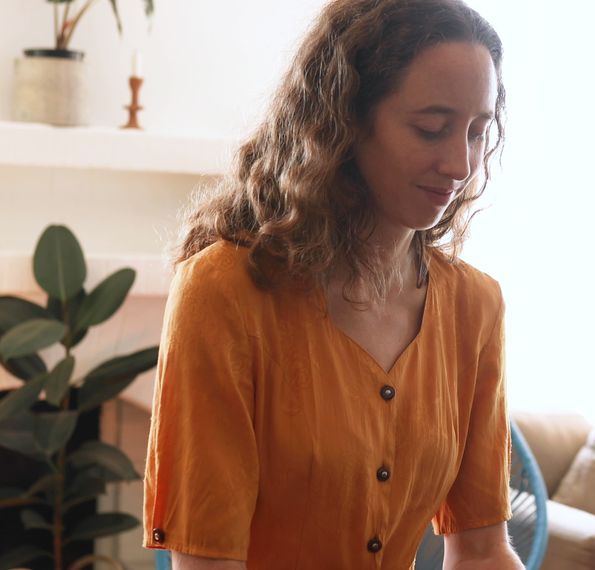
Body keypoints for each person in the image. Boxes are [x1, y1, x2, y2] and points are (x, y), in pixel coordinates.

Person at [141, 0, 522, 568]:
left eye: (475, 132)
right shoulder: (223, 293)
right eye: (431, 129)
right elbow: (208, 562)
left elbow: (484, 551)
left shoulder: (475, 305)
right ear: (343, 120)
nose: (460, 164)